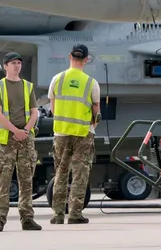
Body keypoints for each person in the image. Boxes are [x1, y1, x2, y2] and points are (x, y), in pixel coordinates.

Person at [48, 44, 101, 225]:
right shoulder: (91, 83)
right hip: (83, 134)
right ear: (86, 59)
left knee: (60, 174)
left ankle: (57, 215)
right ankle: (75, 214)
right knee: (80, 174)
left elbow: (53, 108)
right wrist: (92, 126)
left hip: (61, 133)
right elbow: (96, 112)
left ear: (70, 56)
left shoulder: (57, 79)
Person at [0, 52, 41, 232]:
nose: (17, 66)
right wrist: (15, 131)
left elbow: (35, 112)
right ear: (5, 66)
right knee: (2, 181)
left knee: (26, 181)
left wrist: (25, 130)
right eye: (13, 63)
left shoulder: (28, 86)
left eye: (19, 62)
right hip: (5, 141)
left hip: (25, 139)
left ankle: (27, 218)